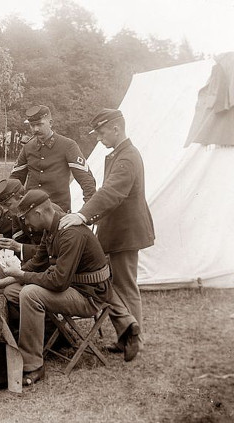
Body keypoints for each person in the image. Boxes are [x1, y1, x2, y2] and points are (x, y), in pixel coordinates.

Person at [0, 190, 140, 386]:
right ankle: (44, 336)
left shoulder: (70, 233)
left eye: (26, 218)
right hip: (74, 288)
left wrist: (21, 276)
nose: (26, 224)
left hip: (89, 296)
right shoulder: (51, 229)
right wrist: (4, 281)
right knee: (12, 291)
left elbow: (58, 281)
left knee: (30, 294)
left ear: (39, 213)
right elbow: (35, 263)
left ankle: (33, 364)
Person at [60, 108, 155, 353]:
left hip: (126, 233)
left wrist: (82, 215)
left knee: (124, 285)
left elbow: (112, 192)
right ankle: (125, 336)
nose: (99, 138)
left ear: (116, 128)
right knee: (110, 284)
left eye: (101, 133)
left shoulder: (126, 157)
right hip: (116, 230)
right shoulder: (118, 155)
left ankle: (135, 339)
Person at [9, 105, 96, 212]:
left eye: (40, 124)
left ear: (50, 123)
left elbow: (86, 179)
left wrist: (87, 211)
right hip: (30, 212)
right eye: (32, 125)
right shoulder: (28, 147)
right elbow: (15, 179)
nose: (36, 129)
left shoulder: (68, 145)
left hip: (57, 212)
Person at [0, 178, 63, 264]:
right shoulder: (16, 215)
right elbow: (20, 240)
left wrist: (21, 247)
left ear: (21, 198)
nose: (5, 210)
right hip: (35, 259)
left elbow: (53, 250)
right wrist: (4, 246)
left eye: (8, 205)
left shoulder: (46, 212)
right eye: (2, 206)